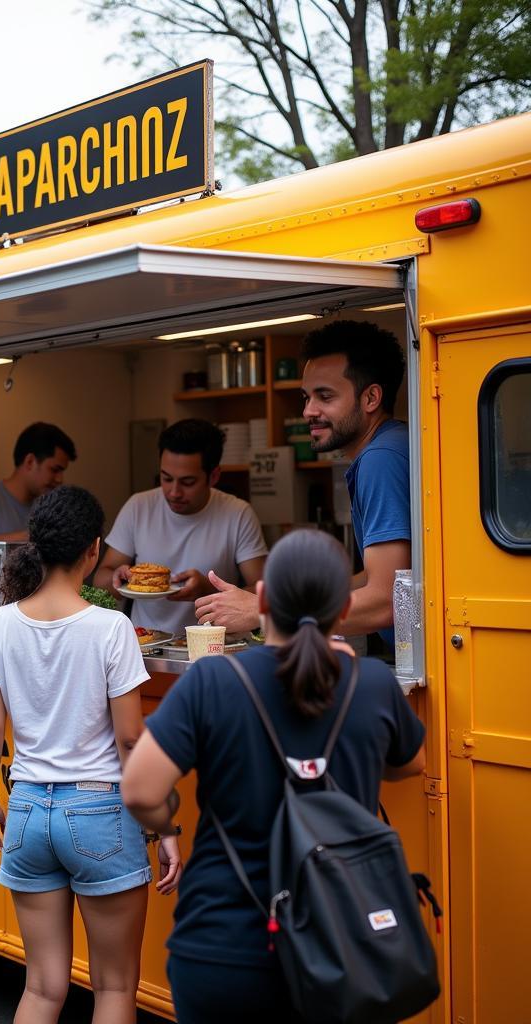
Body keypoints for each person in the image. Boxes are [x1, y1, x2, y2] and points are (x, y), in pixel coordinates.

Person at [120, 529, 426, 1024]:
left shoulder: (214, 680)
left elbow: (139, 789)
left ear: (260, 600)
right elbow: (410, 763)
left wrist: (167, 815)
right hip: (341, 949)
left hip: (223, 948)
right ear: (344, 612)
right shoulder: (371, 684)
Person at [0, 485, 181, 1024]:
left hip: (25, 812)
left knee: (41, 989)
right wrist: (166, 825)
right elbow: (132, 740)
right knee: (113, 988)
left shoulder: (0, 623)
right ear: (94, 549)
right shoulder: (111, 628)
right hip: (100, 815)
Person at [194, 322, 409, 647]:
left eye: (325, 396)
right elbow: (385, 577)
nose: (308, 410)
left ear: (371, 397)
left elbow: (386, 600)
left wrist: (265, 610)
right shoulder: (392, 444)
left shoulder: (380, 459)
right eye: (306, 397)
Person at [92, 419, 268, 636]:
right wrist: (118, 578)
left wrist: (208, 590)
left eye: (187, 482)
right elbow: (100, 580)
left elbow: (262, 593)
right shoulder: (139, 507)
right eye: (166, 479)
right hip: (147, 646)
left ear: (213, 476)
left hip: (213, 647)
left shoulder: (238, 514)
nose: (174, 492)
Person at [0, 422, 77, 566]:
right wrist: (28, 538)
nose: (60, 479)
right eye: (55, 470)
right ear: (30, 461)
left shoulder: (48, 506)